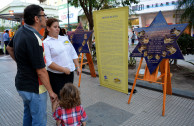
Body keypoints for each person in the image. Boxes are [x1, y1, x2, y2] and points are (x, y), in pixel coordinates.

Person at [6, 4, 57, 126]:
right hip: (35, 88)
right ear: (36, 18)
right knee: (39, 121)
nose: (45, 18)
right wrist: (51, 92)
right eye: (44, 15)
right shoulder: (33, 38)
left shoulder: (20, 31)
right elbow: (41, 71)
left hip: (22, 85)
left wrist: (23, 63)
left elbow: (9, 48)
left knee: (28, 116)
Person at [43, 18, 81, 98]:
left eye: (58, 27)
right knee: (59, 99)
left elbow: (73, 53)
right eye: (55, 27)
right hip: (56, 76)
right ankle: (58, 111)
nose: (57, 29)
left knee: (69, 97)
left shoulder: (64, 38)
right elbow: (48, 63)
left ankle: (68, 111)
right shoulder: (46, 43)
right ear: (48, 28)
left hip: (69, 74)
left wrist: (77, 66)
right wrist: (63, 69)